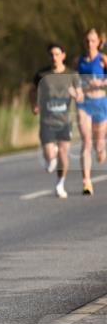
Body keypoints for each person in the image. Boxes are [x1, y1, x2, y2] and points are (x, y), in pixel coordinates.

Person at [30, 43, 84, 199]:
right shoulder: (42, 74)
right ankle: (50, 155)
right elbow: (32, 91)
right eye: (51, 55)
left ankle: (60, 183)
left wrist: (75, 93)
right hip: (47, 120)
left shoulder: (72, 74)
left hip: (64, 120)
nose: (54, 57)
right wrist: (33, 105)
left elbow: (80, 95)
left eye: (57, 54)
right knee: (49, 157)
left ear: (63, 55)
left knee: (64, 153)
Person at [75, 28, 107, 196]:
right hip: (84, 103)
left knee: (98, 143)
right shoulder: (78, 61)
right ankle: (86, 181)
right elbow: (74, 80)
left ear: (99, 42)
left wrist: (100, 83)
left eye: (93, 40)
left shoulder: (103, 60)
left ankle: (101, 150)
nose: (89, 43)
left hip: (101, 102)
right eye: (87, 40)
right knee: (86, 141)